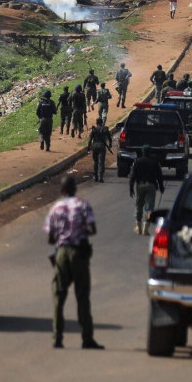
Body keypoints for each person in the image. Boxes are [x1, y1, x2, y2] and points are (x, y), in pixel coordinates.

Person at [45, 176, 103, 349]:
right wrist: (79, 231)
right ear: (75, 189)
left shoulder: (55, 208)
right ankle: (87, 338)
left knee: (59, 296)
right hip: (79, 252)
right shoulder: (82, 205)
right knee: (82, 296)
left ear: (62, 190)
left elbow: (50, 237)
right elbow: (92, 229)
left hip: (62, 253)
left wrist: (63, 234)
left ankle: (57, 337)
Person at [129, 145, 164, 235]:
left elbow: (132, 176)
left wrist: (131, 188)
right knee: (149, 208)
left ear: (142, 152)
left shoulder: (137, 161)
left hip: (140, 185)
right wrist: (161, 187)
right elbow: (159, 176)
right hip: (151, 186)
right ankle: (146, 227)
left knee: (139, 205)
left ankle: (138, 226)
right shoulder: (154, 162)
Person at [87, 117, 113, 183]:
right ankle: (100, 177)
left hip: (95, 146)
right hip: (102, 146)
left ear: (96, 123)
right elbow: (109, 137)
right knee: (101, 162)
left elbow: (89, 140)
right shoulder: (105, 128)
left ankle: (96, 177)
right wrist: (110, 144)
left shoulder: (94, 129)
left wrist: (88, 148)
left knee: (96, 162)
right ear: (102, 122)